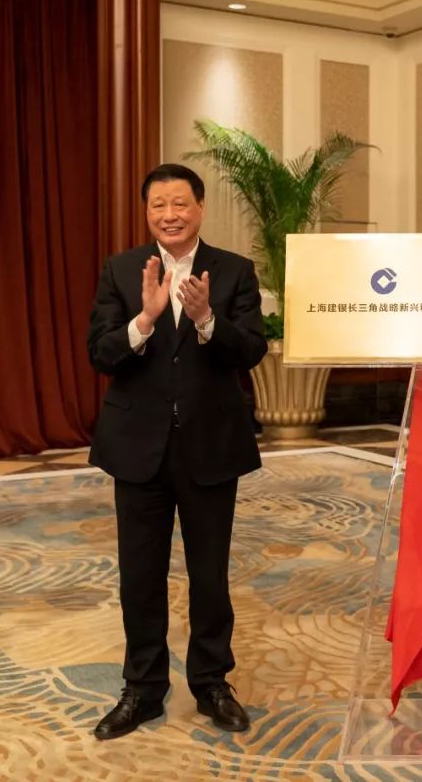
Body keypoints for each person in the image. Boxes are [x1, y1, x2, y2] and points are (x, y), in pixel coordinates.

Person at [87, 163, 267, 740]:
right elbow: (101, 353)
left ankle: (212, 683)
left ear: (201, 208)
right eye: (158, 205)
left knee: (209, 574)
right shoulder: (121, 270)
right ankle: (142, 690)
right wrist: (144, 319)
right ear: (147, 213)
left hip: (209, 444)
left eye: (180, 203)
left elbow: (252, 350)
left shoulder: (234, 271)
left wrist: (206, 319)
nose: (170, 215)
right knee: (139, 575)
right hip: (137, 447)